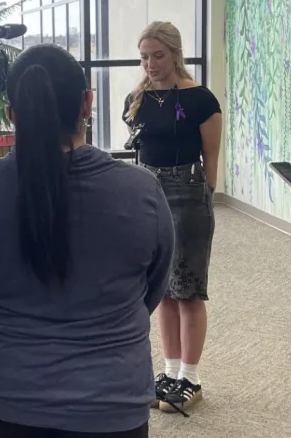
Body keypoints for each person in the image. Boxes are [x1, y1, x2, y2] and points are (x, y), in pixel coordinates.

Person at [0, 43, 173, 438]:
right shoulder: (142, 189)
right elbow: (153, 287)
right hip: (114, 402)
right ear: (87, 103)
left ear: (11, 114)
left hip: (14, 399)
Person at [122, 21, 222, 412]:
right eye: (144, 57)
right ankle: (169, 371)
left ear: (176, 54)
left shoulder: (201, 100)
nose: (151, 64)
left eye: (158, 56)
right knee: (162, 287)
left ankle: (190, 378)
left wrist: (204, 200)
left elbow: (211, 159)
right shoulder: (136, 98)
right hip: (148, 192)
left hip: (188, 191)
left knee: (189, 288)